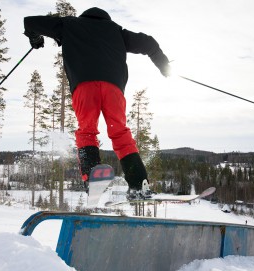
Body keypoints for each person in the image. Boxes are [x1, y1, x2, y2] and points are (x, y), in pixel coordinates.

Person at [23, 7, 170, 199]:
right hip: (113, 89)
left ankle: (92, 177)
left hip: (85, 86)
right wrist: (164, 65)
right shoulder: (116, 30)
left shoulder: (68, 24)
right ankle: (138, 183)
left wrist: (35, 38)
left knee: (87, 131)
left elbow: (30, 21)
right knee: (119, 132)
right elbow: (149, 43)